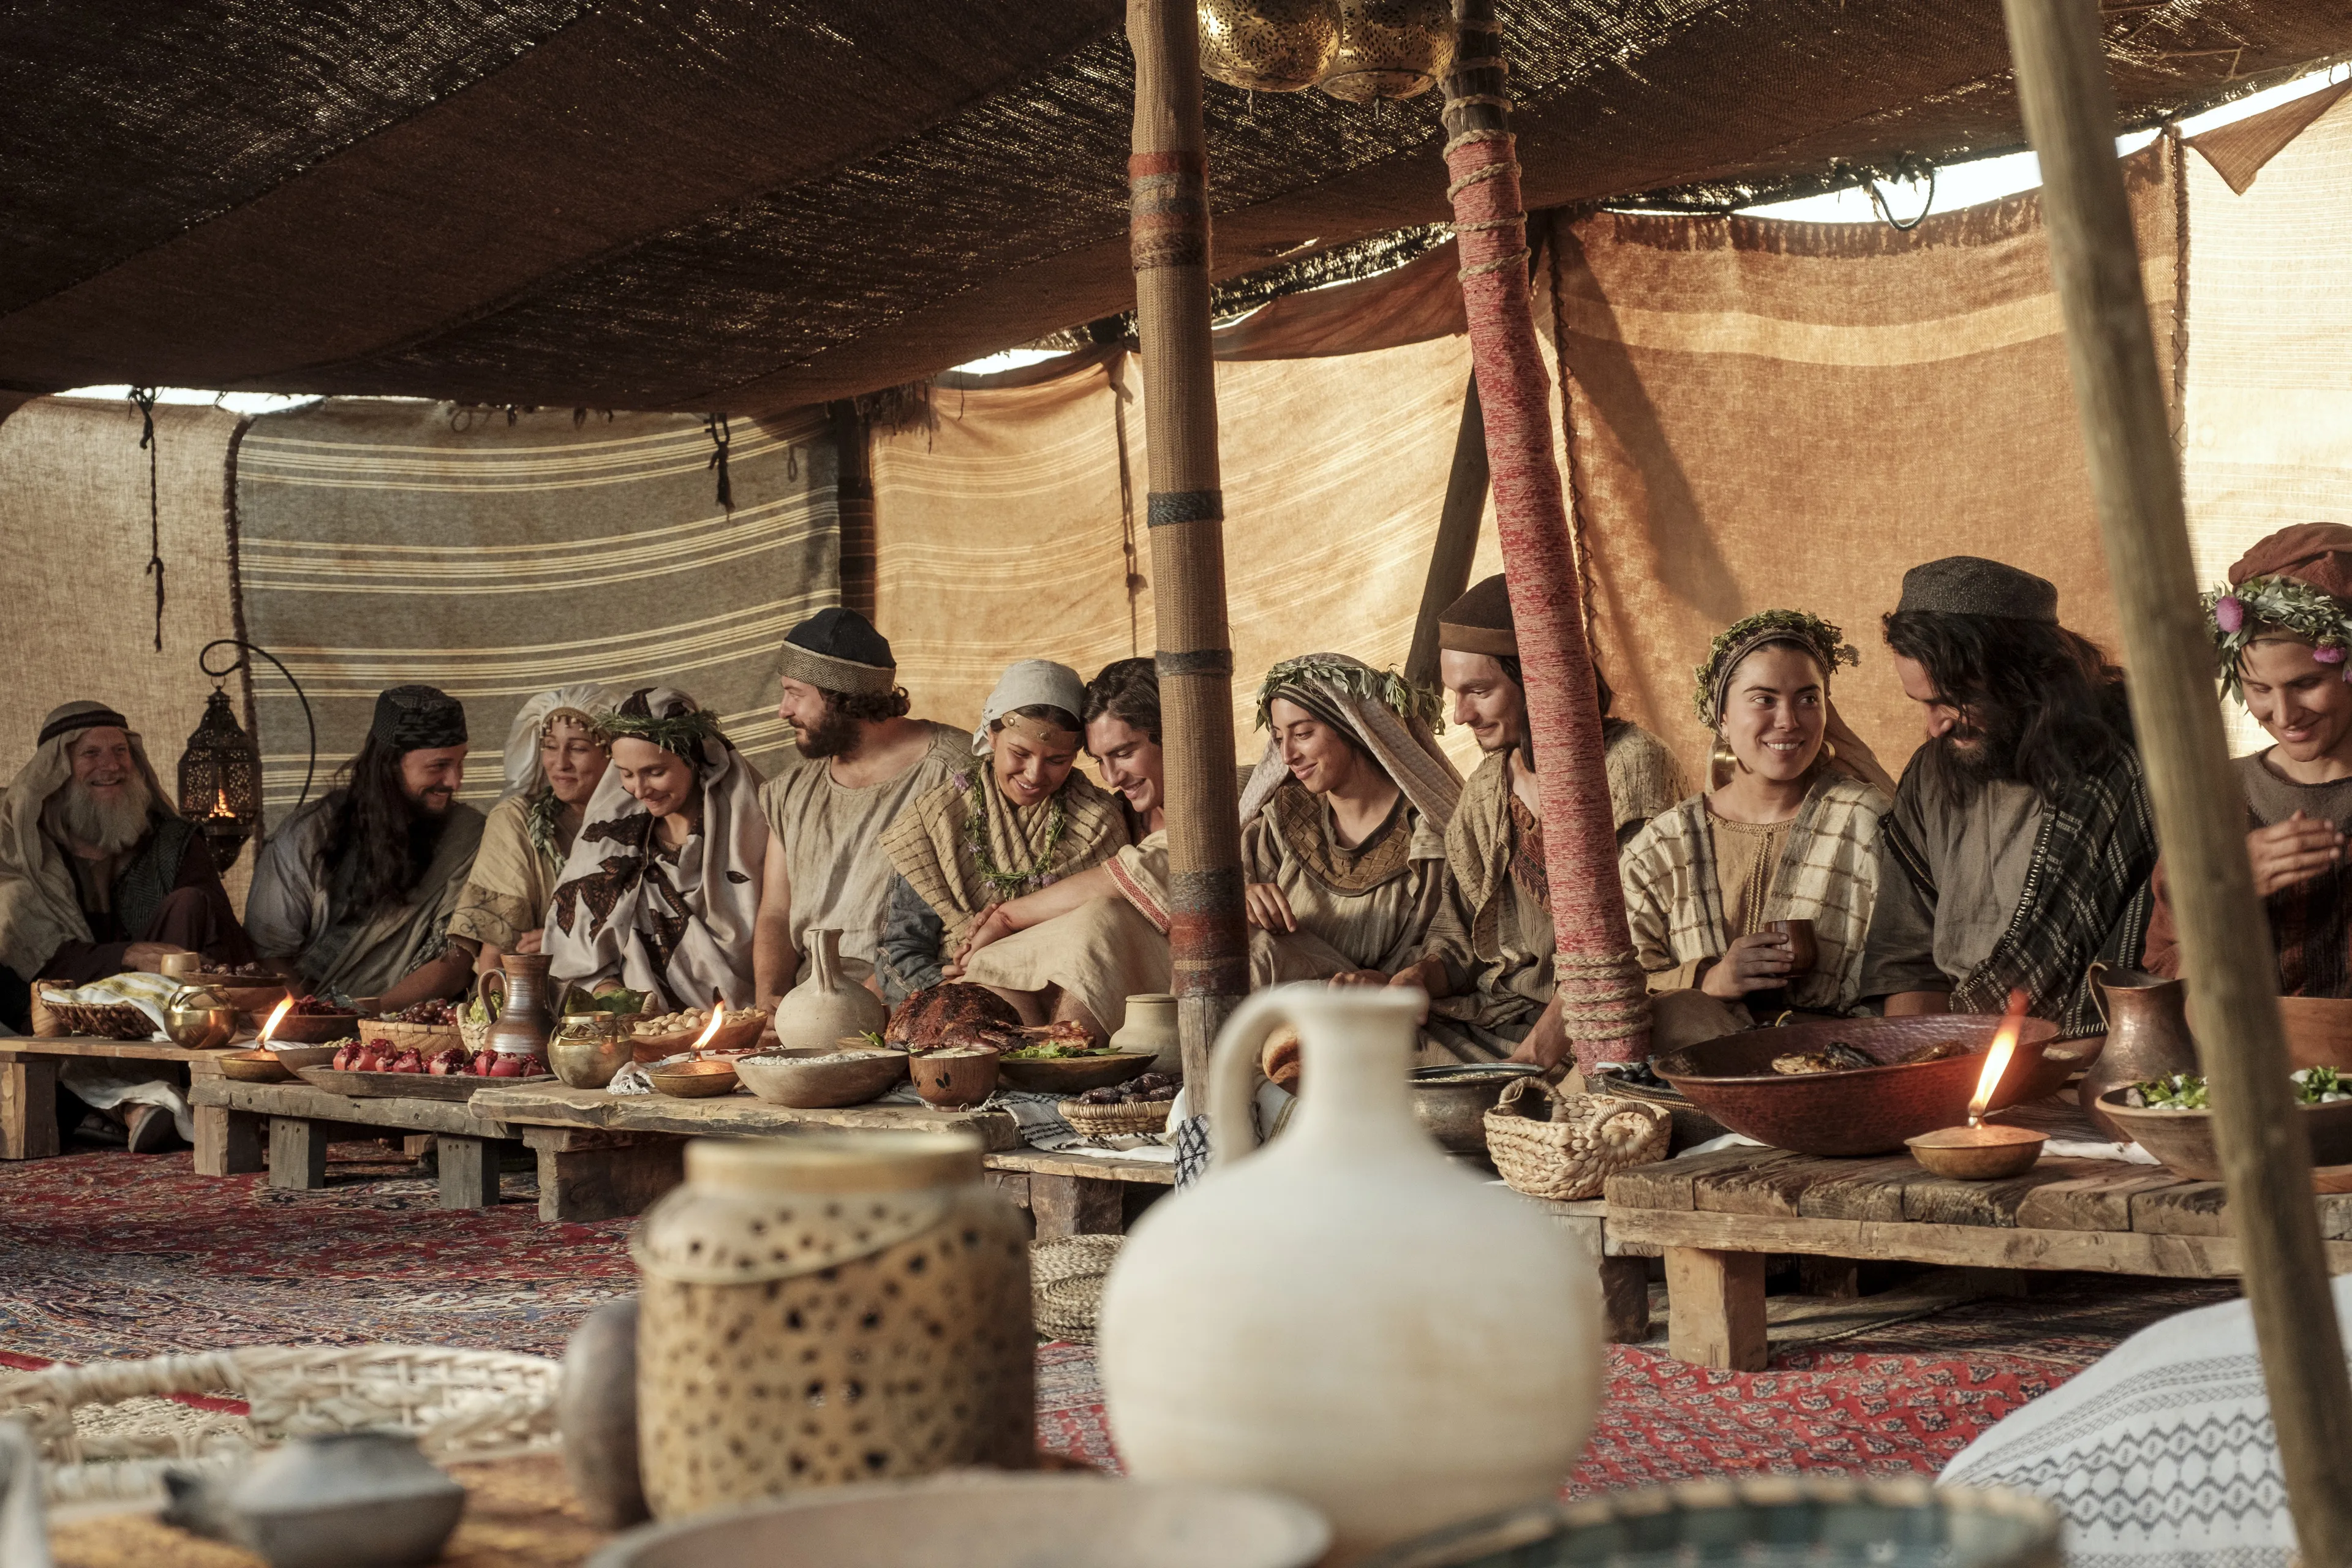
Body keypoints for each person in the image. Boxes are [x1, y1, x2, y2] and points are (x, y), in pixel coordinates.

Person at [1858, 557, 2156, 1035]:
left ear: (2024, 675)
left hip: (2098, 1053)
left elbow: (2159, 959)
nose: (1934, 726)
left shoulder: (2134, 766)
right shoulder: (1932, 771)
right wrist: (1925, 1065)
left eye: (1951, 699)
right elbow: (1906, 958)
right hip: (1955, 1051)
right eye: (1923, 703)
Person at [1395, 576, 1680, 1063]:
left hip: (1612, 1014)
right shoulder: (1487, 790)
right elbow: (1460, 934)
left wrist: (1533, 1056)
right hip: (1508, 1014)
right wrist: (1418, 977)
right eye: (1455, 694)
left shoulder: (1630, 767)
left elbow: (1631, 937)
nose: (1462, 715)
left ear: (1538, 681)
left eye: (1479, 691)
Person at [1618, 609, 1893, 1050]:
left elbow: (1908, 965)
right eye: (1764, 699)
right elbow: (1618, 985)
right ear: (1722, 719)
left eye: (1808, 699)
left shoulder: (1864, 820)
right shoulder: (1661, 848)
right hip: (1688, 1066)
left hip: (1832, 1061)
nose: (1788, 720)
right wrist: (1709, 978)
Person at [0, 701, 260, 1150]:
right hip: (55, 1015)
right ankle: (134, 1108)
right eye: (91, 754)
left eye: (121, 751)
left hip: (163, 1022)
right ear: (57, 769)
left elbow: (222, 946)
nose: (112, 766)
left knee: (190, 903)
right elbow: (30, 962)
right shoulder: (21, 850)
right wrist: (123, 954)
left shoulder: (171, 844)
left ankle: (130, 1105)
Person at [2144, 524, 2352, 993]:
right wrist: (2227, 896)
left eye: (2305, 684)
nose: (2284, 715)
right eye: (2260, 689)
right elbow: (2167, 990)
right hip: (2255, 1066)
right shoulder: (2218, 801)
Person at [876, 660, 1129, 1002]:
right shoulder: (936, 820)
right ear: (992, 735)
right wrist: (948, 992)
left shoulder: (1098, 822)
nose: (1035, 774)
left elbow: (1106, 941)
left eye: (1057, 760)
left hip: (1062, 1000)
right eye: (1020, 753)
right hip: (946, 1001)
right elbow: (901, 949)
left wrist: (1006, 969)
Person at [752, 609, 967, 1006]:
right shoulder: (791, 791)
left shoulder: (956, 772)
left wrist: (881, 993)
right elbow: (776, 913)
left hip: (916, 993)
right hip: (810, 1001)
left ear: (842, 695)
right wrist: (770, 999)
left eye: (795, 693)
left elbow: (979, 907)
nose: (783, 710)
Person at [950, 658, 1172, 1036]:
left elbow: (1138, 874)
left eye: (1123, 753)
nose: (1112, 777)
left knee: (1102, 918)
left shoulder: (1231, 799)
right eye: (1100, 760)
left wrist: (1007, 918)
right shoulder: (1126, 813)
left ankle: (1064, 1060)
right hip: (1054, 992)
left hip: (1178, 1001)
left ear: (1175, 732)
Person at [246, 685, 485, 1009]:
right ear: (389, 764)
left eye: (460, 763)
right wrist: (309, 1018)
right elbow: (269, 954)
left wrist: (367, 1014)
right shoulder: (308, 834)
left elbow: (456, 963)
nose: (455, 781)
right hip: (306, 1021)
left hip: (414, 1025)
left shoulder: (468, 835)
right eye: (438, 766)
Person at [1239, 654, 1461, 986]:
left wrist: (1389, 981)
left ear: (1352, 728)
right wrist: (1239, 895)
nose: (1288, 757)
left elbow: (1448, 951)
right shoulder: (1282, 819)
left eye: (1302, 734)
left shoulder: (1425, 839)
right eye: (1279, 738)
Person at [544, 687, 767, 1013]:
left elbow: (771, 925)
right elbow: (572, 949)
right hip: (635, 1031)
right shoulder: (608, 839)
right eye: (626, 774)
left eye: (655, 772)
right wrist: (612, 997)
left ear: (693, 757)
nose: (639, 789)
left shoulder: (750, 830)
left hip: (741, 1019)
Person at [445, 685, 612, 979]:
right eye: (550, 745)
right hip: (531, 1000)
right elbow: (497, 955)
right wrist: (492, 1020)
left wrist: (572, 942)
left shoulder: (638, 823)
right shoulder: (517, 820)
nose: (559, 763)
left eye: (578, 748)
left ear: (611, 755)